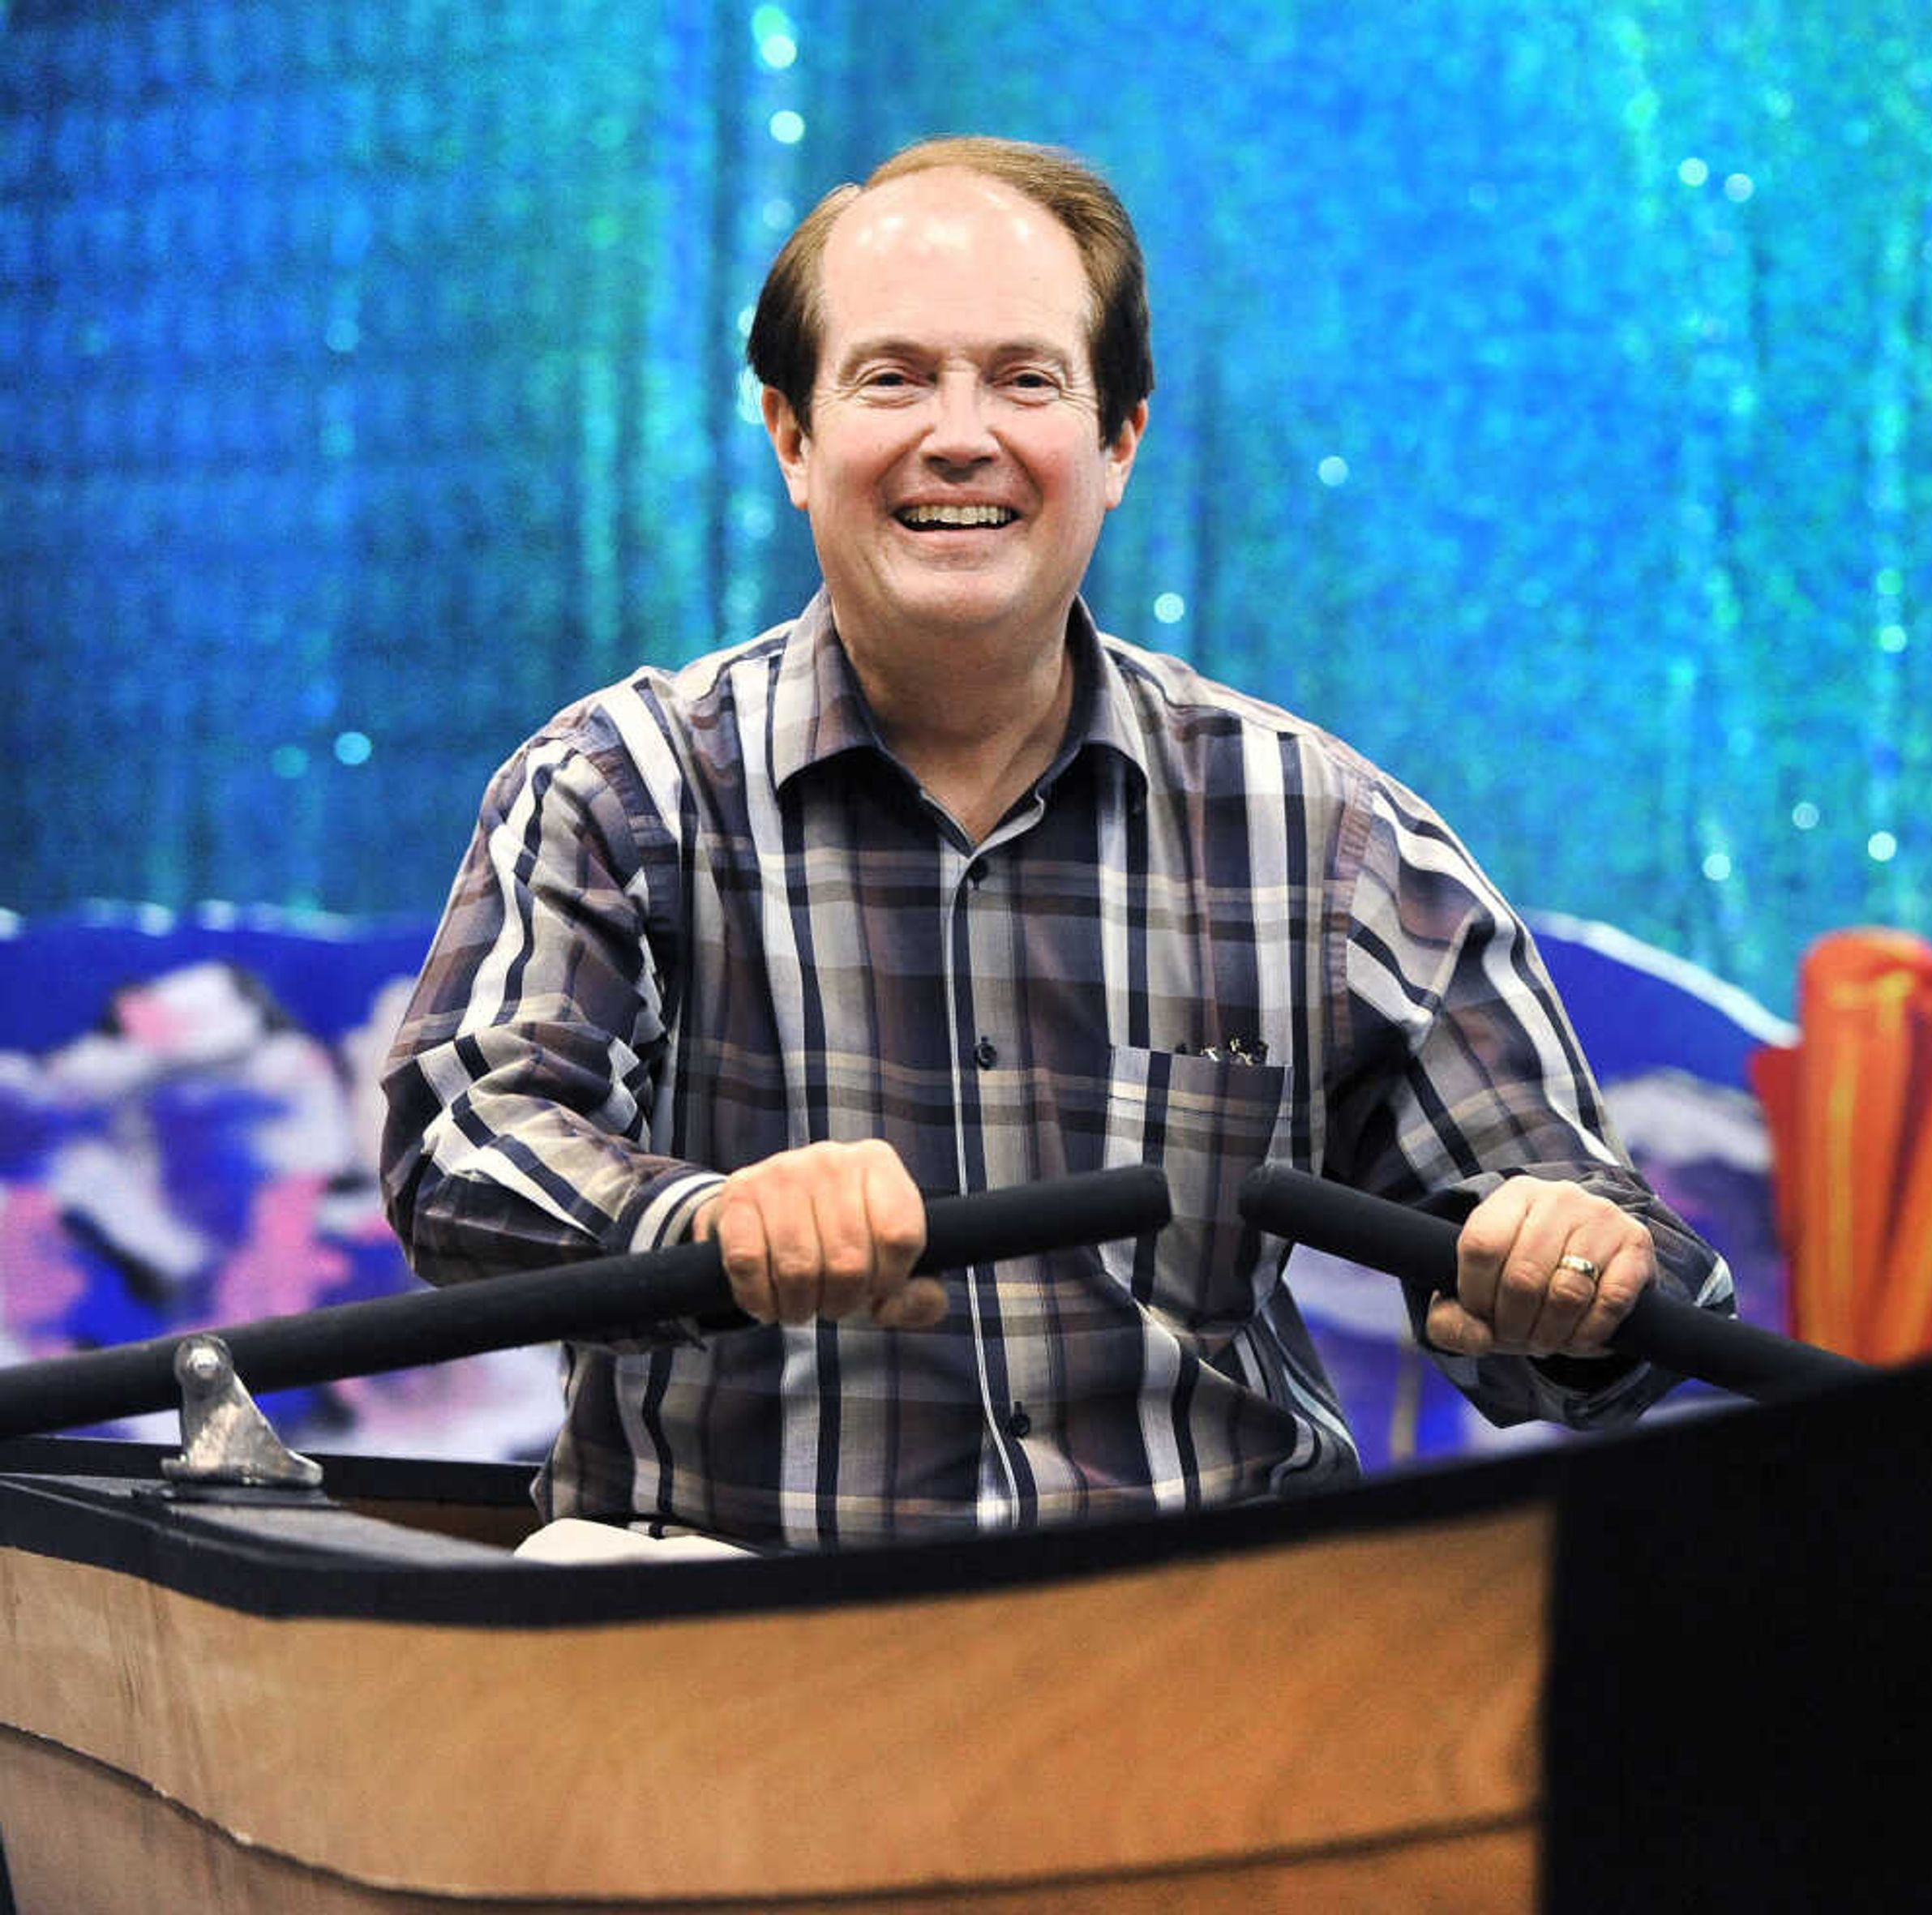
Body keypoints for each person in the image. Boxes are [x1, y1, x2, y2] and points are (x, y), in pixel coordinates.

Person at [379, 135, 1735, 1549]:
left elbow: (1625, 1289)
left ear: (1117, 444)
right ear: (792, 438)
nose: (959, 433)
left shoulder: (1321, 827)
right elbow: (460, 1146)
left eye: (1025, 379)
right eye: (892, 376)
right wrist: (705, 1221)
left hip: (1208, 1655)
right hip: (734, 1645)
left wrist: (1575, 1274)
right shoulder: (617, 787)